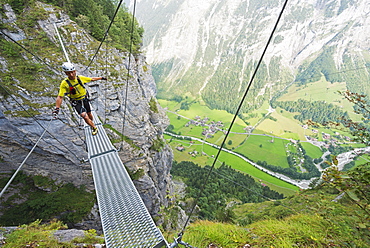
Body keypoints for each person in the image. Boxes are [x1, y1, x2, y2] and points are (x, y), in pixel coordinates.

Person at [53, 62, 107, 135]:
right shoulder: (64, 83)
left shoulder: (80, 78)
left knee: (89, 113)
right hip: (76, 102)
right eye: (68, 73)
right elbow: (60, 96)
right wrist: (57, 108)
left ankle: (91, 122)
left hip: (84, 99)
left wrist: (101, 78)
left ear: (75, 71)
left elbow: (92, 79)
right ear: (66, 73)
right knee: (84, 116)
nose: (71, 75)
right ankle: (94, 127)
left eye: (72, 72)